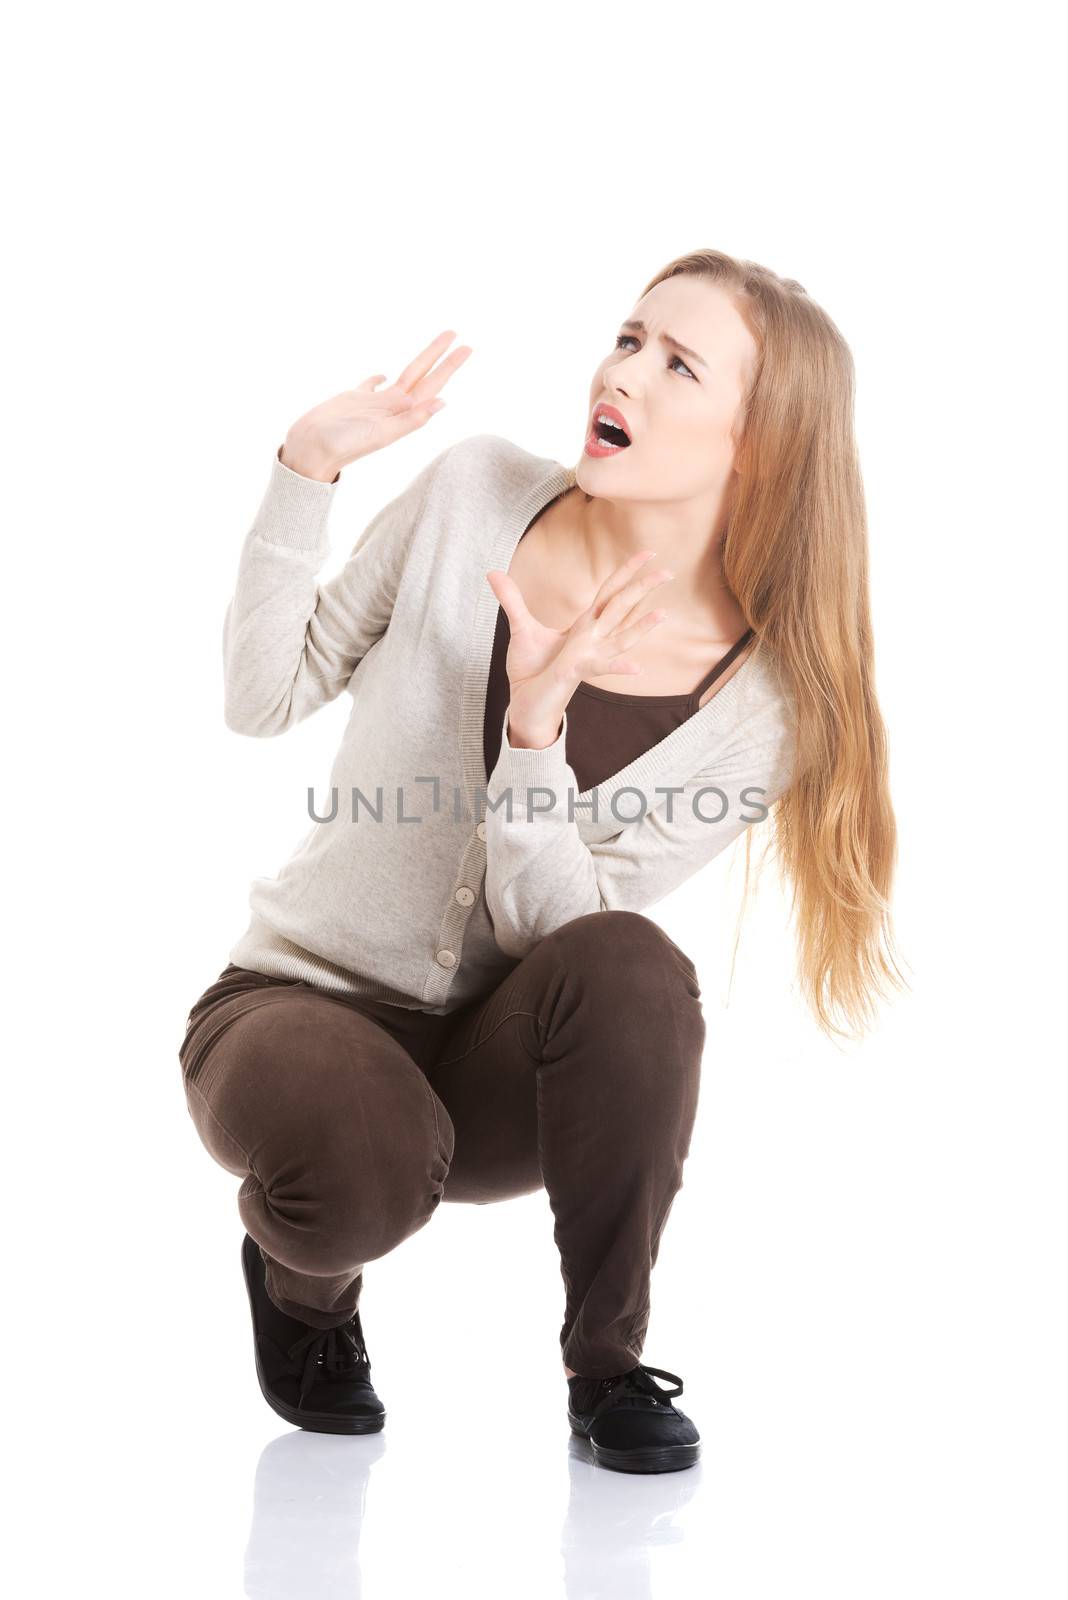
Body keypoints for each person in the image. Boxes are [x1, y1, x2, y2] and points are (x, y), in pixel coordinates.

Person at [178, 248, 908, 1474]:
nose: (624, 373)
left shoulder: (765, 708)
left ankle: (608, 1366)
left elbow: (566, 937)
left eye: (680, 364)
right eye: (629, 338)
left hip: (491, 1074)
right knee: (357, 1163)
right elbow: (265, 695)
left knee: (634, 964)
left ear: (761, 446)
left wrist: (536, 734)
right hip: (293, 1010)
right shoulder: (475, 492)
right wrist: (308, 467)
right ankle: (306, 1284)